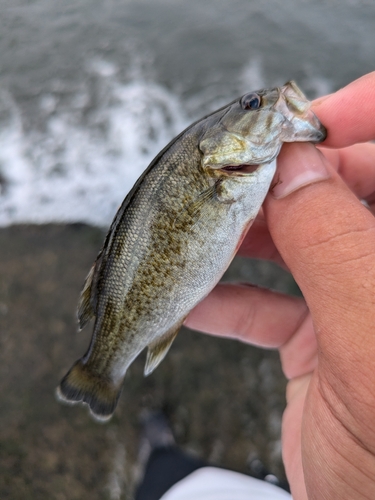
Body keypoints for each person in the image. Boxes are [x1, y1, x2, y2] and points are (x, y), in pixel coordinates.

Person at [137, 72, 375, 500]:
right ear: (215, 152)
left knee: (165, 482)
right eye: (251, 106)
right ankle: (164, 450)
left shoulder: (235, 170)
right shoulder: (227, 171)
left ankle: (162, 453)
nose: (265, 102)